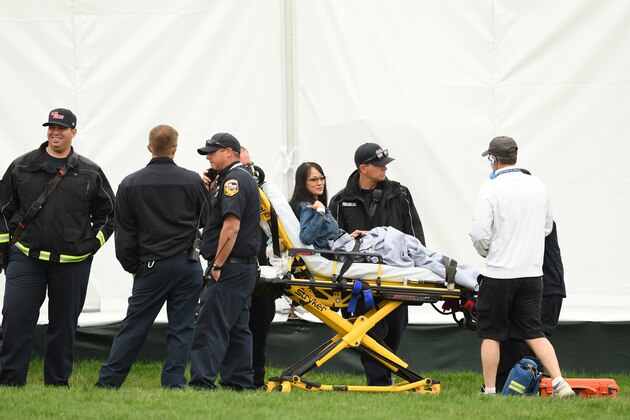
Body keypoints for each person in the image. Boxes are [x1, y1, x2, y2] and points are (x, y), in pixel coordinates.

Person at [0, 108, 115, 387]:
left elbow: (109, 214)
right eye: (51, 127)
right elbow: (3, 210)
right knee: (15, 320)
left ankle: (57, 383)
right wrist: (7, 251)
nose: (55, 132)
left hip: (73, 263)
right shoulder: (21, 166)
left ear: (73, 132)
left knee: (63, 326)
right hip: (26, 259)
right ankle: (10, 381)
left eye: (61, 128)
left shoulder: (90, 171)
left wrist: (90, 246)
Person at [95, 125, 208, 389]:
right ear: (175, 149)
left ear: (149, 148)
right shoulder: (192, 180)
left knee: (134, 326)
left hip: (151, 266)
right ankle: (174, 382)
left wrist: (132, 266)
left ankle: (109, 382)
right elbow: (207, 220)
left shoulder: (130, 183)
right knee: (182, 327)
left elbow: (124, 232)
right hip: (187, 264)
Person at [469, 136, 574, 398]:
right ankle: (560, 383)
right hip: (532, 275)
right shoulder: (538, 186)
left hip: (499, 273)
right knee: (534, 332)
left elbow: (479, 233)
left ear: (493, 159)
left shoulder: (489, 189)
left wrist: (488, 251)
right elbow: (547, 228)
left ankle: (491, 391)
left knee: (491, 334)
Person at [291, 161, 478, 290]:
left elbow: (326, 236)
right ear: (363, 167)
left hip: (351, 244)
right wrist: (322, 212)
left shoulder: (399, 193)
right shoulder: (317, 205)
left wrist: (349, 236)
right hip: (349, 253)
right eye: (314, 179)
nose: (320, 183)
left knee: (410, 246)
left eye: (322, 178)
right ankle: (466, 277)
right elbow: (307, 237)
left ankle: (462, 273)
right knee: (413, 251)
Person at [330, 143, 426, 386]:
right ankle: (379, 382)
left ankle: (383, 376)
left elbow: (415, 236)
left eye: (385, 164)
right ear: (363, 168)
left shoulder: (400, 194)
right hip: (358, 281)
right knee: (367, 330)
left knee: (395, 328)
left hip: (395, 277)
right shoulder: (340, 201)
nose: (385, 168)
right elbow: (332, 243)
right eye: (379, 164)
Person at [189, 132, 261, 391]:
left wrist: (217, 265)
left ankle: (202, 382)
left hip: (230, 265)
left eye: (213, 151)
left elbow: (231, 226)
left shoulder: (234, 180)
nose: (208, 156)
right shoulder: (235, 178)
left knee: (210, 323)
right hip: (242, 266)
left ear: (229, 152)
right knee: (238, 326)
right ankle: (239, 382)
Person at [495, 168, 567, 391]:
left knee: (529, 345)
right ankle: (503, 389)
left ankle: (523, 389)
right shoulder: (533, 217)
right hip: (530, 287)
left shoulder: (533, 220)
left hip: (543, 289)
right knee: (510, 342)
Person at [240, 146, 275, 389]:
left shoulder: (266, 198)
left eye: (250, 166)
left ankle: (257, 380)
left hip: (263, 276)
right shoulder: (221, 193)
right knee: (236, 331)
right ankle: (237, 379)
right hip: (236, 272)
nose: (249, 172)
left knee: (259, 331)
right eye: (244, 167)